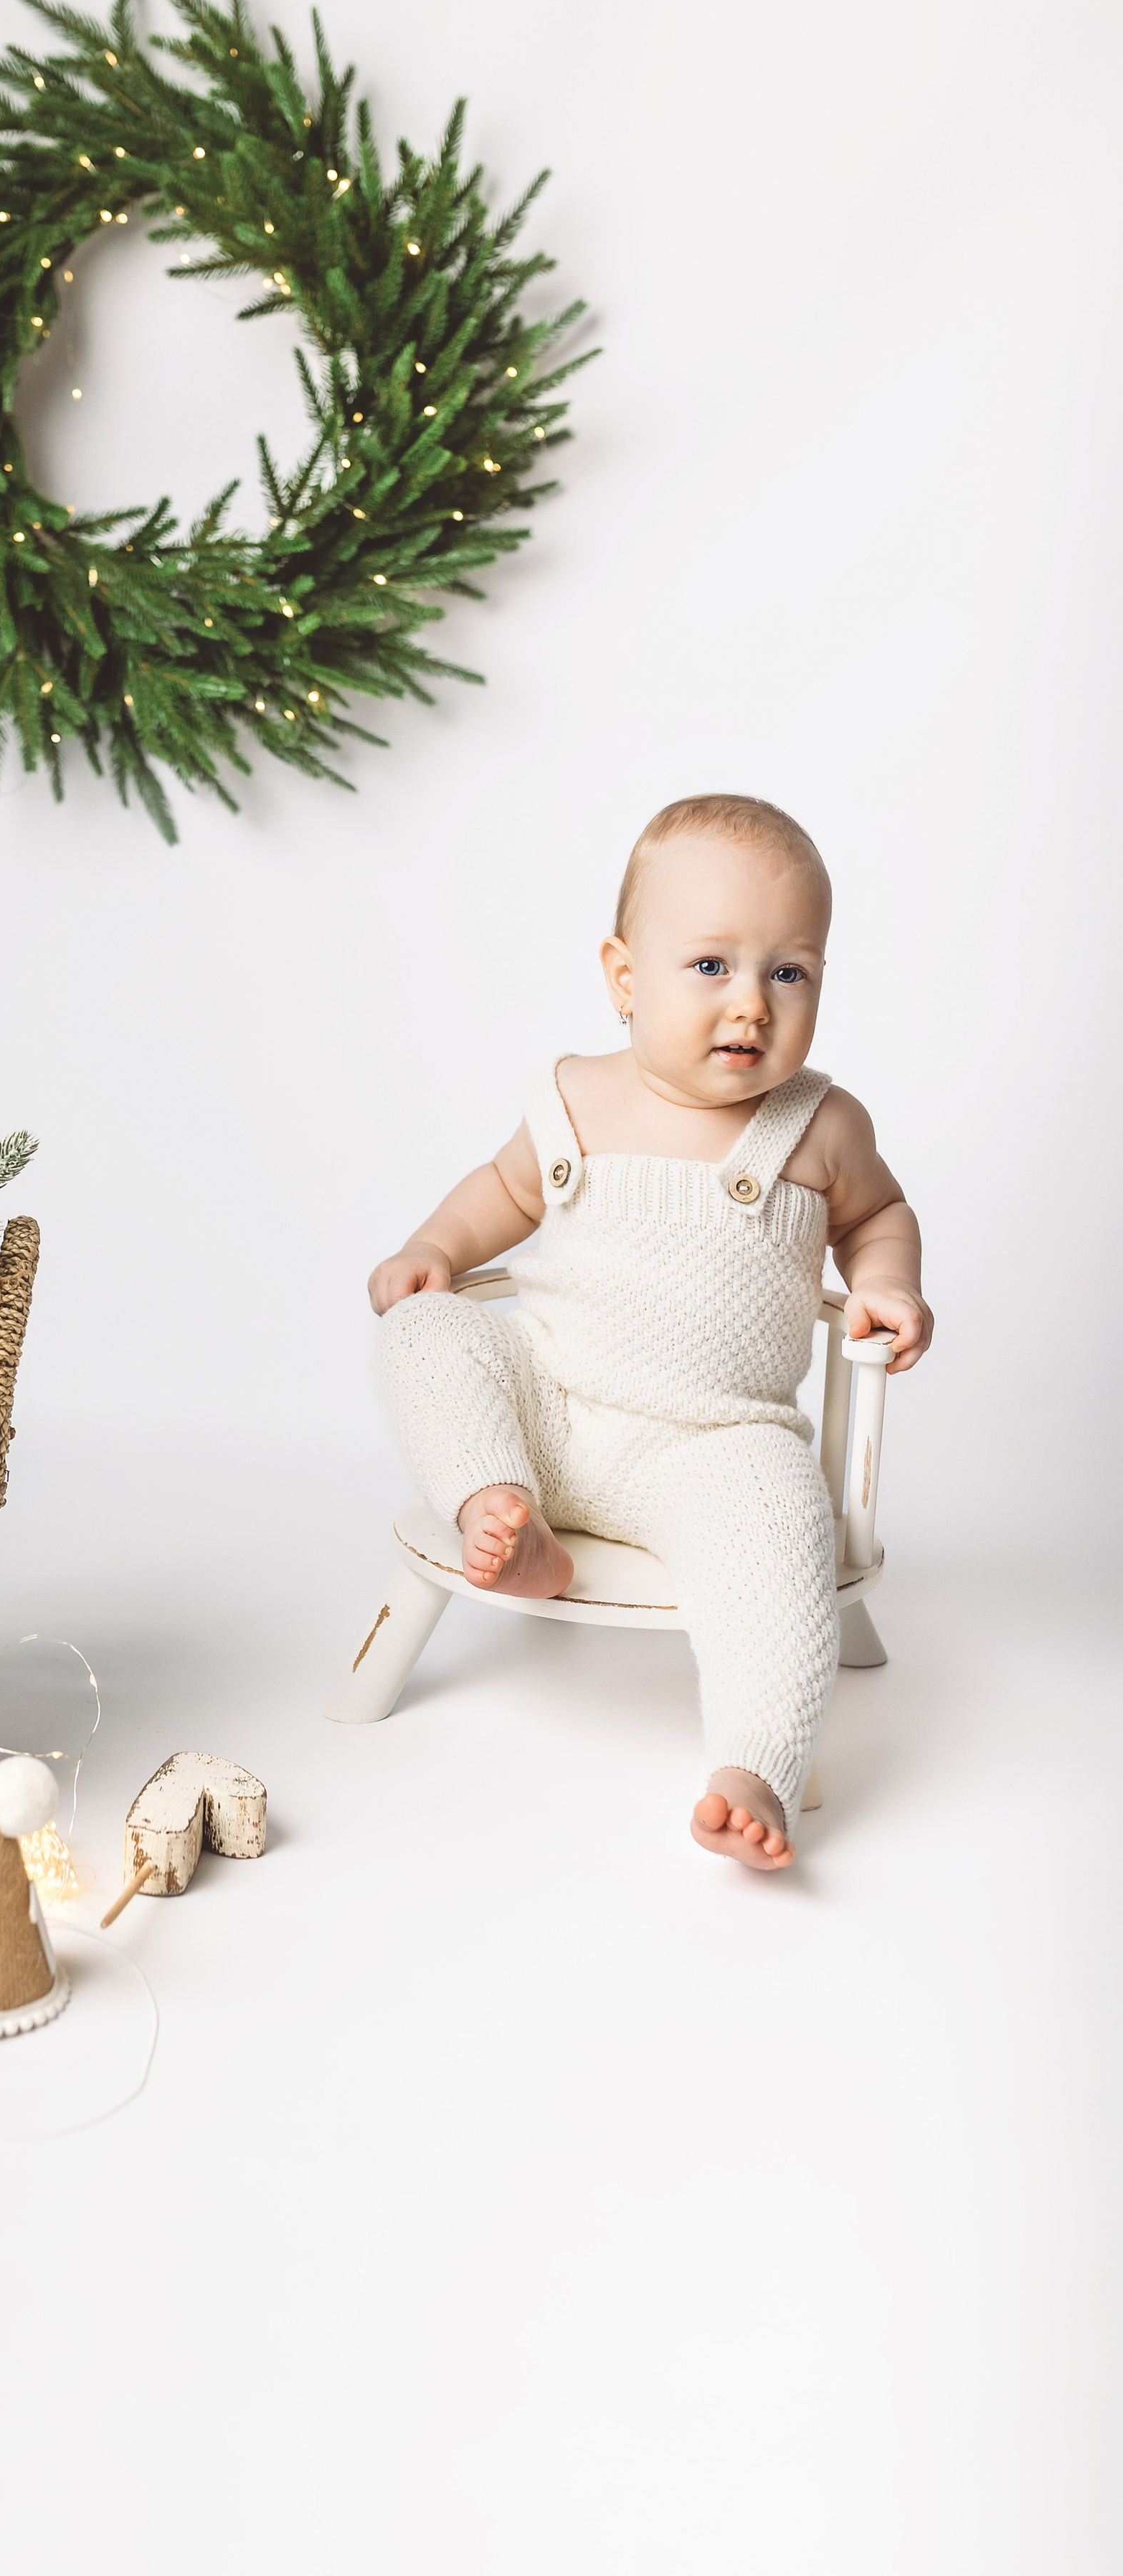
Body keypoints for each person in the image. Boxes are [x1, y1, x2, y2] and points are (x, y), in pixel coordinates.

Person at [369, 794, 931, 1870]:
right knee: (425, 1335)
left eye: (789, 972)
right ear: (625, 977)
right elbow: (502, 1189)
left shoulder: (822, 1123)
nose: (752, 1005)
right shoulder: (574, 1095)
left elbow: (877, 1216)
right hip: (552, 1411)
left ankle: (753, 1764)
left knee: (779, 1538)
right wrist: (438, 1247)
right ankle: (498, 1505)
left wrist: (888, 1286)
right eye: (712, 966)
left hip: (714, 1447)